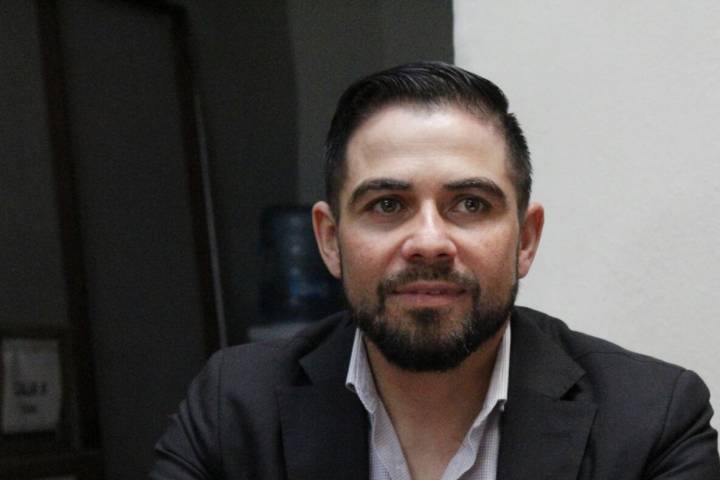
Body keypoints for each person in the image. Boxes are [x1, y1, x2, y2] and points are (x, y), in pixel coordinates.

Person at [150, 62, 720, 479]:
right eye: (387, 205)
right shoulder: (233, 408)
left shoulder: (651, 421)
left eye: (470, 204)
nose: (428, 242)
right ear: (329, 240)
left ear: (525, 240)